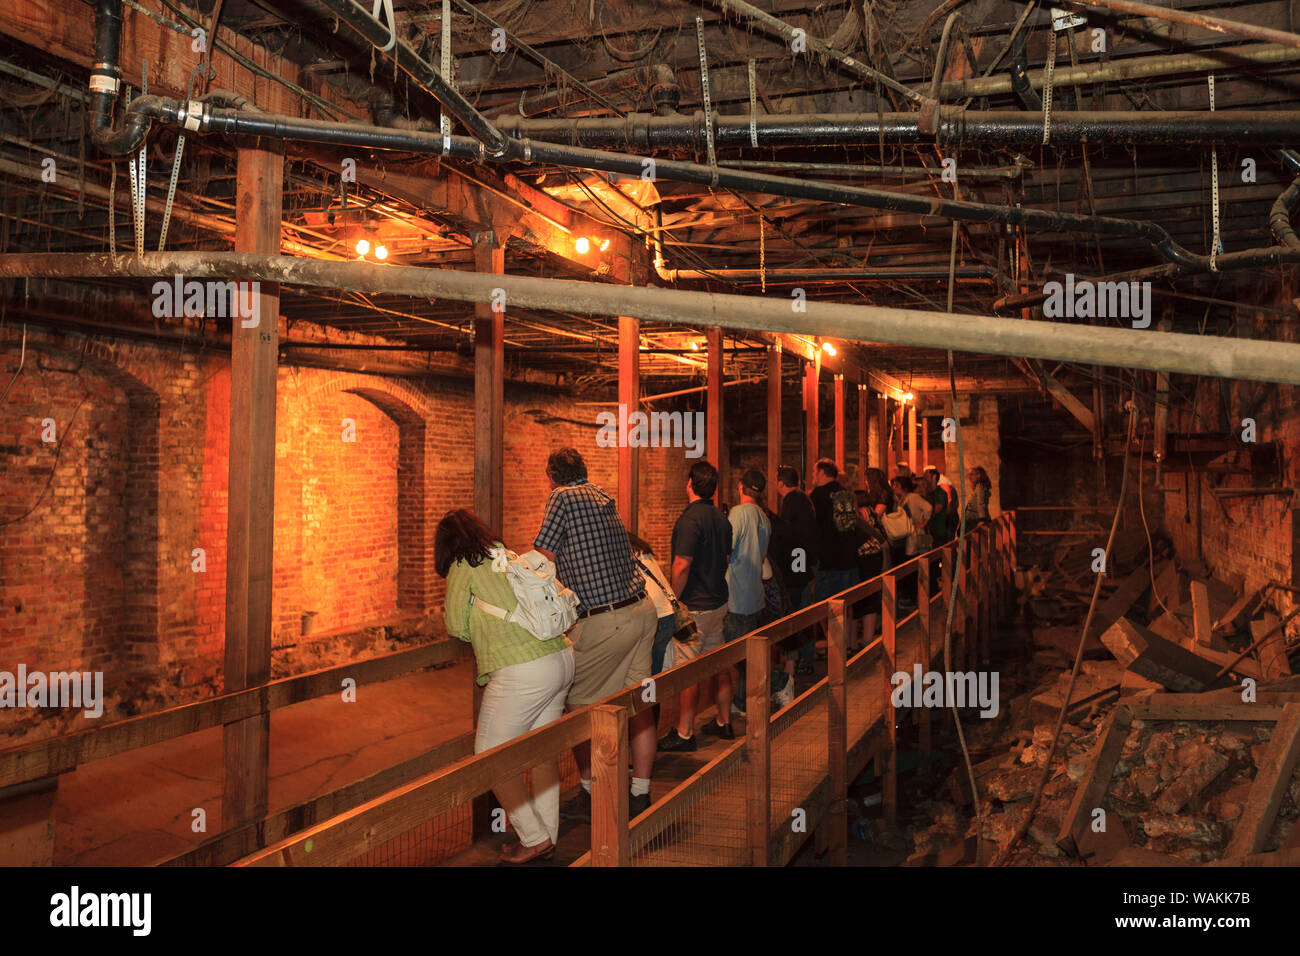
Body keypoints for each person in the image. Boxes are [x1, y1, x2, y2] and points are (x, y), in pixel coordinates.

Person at [438, 509, 575, 864]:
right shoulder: (503, 552)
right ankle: (546, 837)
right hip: (559, 656)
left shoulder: (462, 565)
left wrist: (475, 625)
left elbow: (456, 625)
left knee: (490, 754)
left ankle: (534, 837)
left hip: (522, 668)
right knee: (541, 751)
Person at [533, 448, 659, 821]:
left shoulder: (562, 497)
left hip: (605, 620)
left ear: (552, 476)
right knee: (637, 706)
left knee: (578, 706)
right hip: (642, 610)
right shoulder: (602, 495)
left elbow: (542, 556)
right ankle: (640, 792)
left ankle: (595, 793)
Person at [659, 460, 733, 752]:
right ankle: (725, 721)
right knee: (720, 663)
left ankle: (685, 732)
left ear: (689, 483)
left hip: (695, 608)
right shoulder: (722, 519)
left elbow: (681, 564)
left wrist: (673, 600)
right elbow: (726, 559)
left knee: (688, 670)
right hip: (718, 603)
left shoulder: (690, 520)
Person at [772, 465, 819, 677]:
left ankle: (797, 661)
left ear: (781, 483)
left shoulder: (791, 502)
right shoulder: (803, 499)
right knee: (804, 612)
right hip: (804, 565)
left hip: (796, 567)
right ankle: (802, 659)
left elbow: (790, 537)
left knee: (794, 612)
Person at [630, 534, 677, 676]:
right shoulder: (643, 552)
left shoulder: (628, 555)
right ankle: (652, 696)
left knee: (648, 669)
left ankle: (648, 697)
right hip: (668, 612)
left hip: (656, 615)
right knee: (656, 666)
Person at [850, 488, 891, 651]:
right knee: (865, 599)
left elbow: (877, 537)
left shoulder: (856, 519)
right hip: (872, 556)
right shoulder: (860, 517)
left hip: (867, 558)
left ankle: (864, 642)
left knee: (864, 599)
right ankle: (862, 642)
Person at [920, 467, 950, 544]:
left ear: (934, 477)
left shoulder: (940, 493)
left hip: (938, 532)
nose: (924, 479)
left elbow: (937, 509)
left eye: (926, 476)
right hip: (927, 532)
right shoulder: (926, 493)